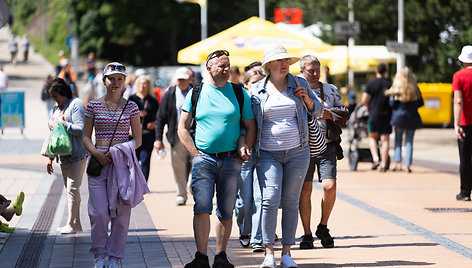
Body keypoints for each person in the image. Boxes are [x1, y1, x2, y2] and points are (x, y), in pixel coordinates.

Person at [177, 49, 256, 268]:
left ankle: (221, 256)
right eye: (221, 65)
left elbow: (251, 127)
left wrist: (244, 152)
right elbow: (182, 128)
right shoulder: (197, 92)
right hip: (204, 159)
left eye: (228, 65)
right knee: (201, 207)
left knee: (226, 209)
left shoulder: (240, 93)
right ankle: (201, 257)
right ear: (209, 69)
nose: (226, 69)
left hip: (231, 160)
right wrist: (195, 154)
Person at [250, 46, 323, 268]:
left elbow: (318, 111)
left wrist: (308, 101)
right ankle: (268, 253)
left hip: (298, 152)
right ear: (268, 66)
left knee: (291, 201)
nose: (284, 64)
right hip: (268, 153)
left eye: (286, 60)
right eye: (279, 61)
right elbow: (249, 123)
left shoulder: (299, 84)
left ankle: (287, 253)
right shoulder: (255, 90)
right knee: (270, 199)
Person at [82, 62, 149, 268]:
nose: (116, 83)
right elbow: (85, 136)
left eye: (120, 79)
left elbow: (138, 140)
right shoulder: (93, 105)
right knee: (99, 213)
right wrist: (97, 153)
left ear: (124, 82)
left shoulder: (131, 107)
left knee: (121, 213)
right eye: (111, 78)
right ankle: (99, 255)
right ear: (104, 81)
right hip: (98, 164)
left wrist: (118, 151)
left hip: (121, 165)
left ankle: (115, 257)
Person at [297, 55, 348, 250]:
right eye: (310, 70)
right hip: (303, 147)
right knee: (305, 190)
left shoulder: (331, 89)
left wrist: (327, 114)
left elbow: (344, 114)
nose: (315, 74)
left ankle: (323, 226)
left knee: (329, 186)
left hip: (327, 145)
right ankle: (307, 233)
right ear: (302, 71)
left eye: (317, 70)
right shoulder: (295, 89)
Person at [46, 78, 89, 234]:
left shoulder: (76, 104)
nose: (55, 100)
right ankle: (76, 223)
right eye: (53, 97)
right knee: (70, 189)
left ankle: (70, 223)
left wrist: (65, 124)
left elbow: (82, 129)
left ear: (63, 92)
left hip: (78, 153)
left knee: (72, 187)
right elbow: (53, 133)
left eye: (56, 96)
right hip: (63, 155)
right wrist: (51, 157)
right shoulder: (57, 107)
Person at [235, 67, 265, 252]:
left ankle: (257, 238)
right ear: (246, 85)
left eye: (261, 83)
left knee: (261, 198)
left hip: (264, 154)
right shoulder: (240, 101)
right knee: (244, 200)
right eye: (254, 83)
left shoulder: (267, 100)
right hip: (244, 155)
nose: (258, 87)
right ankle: (244, 230)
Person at [154, 67, 192, 205]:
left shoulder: (196, 92)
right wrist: (158, 139)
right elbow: (161, 117)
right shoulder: (170, 94)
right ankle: (181, 194)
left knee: (198, 163)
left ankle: (191, 185)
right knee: (178, 165)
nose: (182, 82)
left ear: (189, 80)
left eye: (184, 79)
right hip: (176, 134)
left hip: (195, 134)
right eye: (179, 80)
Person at [386, 67, 423, 173]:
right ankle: (408, 165)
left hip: (398, 118)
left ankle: (398, 164)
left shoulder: (397, 88)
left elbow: (392, 104)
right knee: (409, 141)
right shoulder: (415, 88)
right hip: (412, 117)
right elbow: (420, 103)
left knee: (398, 140)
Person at [361, 62, 393, 172]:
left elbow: (364, 99)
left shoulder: (371, 83)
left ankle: (375, 159)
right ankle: (384, 165)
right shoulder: (389, 83)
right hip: (386, 115)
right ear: (386, 71)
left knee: (372, 137)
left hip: (373, 114)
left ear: (376, 70)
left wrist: (369, 107)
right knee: (385, 140)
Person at [129, 75, 159, 181]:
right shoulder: (131, 99)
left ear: (148, 85)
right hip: (133, 134)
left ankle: (143, 183)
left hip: (148, 133)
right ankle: (134, 182)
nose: (143, 86)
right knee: (134, 159)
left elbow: (159, 117)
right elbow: (124, 116)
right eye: (141, 83)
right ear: (137, 85)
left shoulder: (153, 100)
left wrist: (154, 123)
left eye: (145, 83)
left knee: (145, 159)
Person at [452, 45, 472, 201]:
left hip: (466, 123)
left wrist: (456, 124)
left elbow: (458, 101)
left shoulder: (458, 76)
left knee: (465, 158)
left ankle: (465, 192)